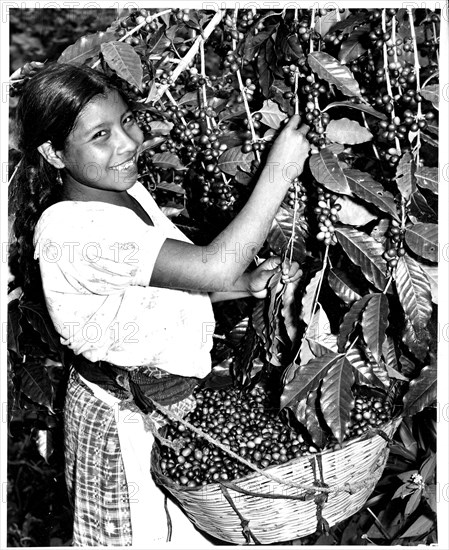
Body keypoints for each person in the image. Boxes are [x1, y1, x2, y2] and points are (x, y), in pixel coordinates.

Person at [9, 62, 310, 547]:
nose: (128, 143)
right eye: (101, 135)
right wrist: (280, 169)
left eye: (128, 120)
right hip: (123, 424)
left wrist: (244, 284)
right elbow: (211, 265)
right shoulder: (74, 230)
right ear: (54, 153)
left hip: (168, 407)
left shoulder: (125, 191)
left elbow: (156, 290)